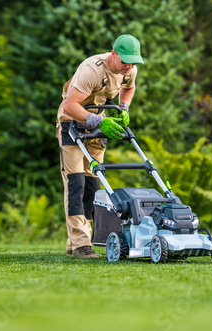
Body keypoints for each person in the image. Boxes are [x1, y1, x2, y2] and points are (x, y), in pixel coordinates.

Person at [55, 34, 144, 258]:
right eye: (125, 61)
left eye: (133, 62)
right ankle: (80, 245)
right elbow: (69, 106)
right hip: (72, 125)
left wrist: (124, 108)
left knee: (93, 185)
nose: (129, 66)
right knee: (76, 182)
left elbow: (129, 88)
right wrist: (99, 121)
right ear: (113, 54)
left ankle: (79, 241)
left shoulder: (129, 70)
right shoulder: (92, 69)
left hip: (97, 126)